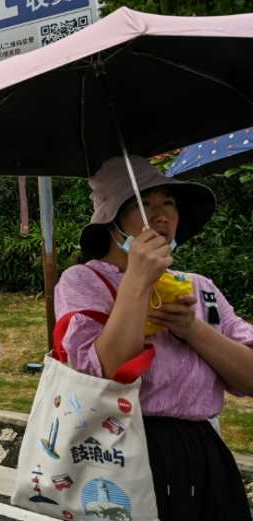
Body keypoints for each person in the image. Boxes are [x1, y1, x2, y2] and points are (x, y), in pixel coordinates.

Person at [54, 156, 253, 519]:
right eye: (142, 204)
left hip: (202, 454)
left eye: (169, 203)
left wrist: (192, 329)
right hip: (121, 451)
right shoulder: (84, 282)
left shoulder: (200, 289)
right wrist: (137, 281)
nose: (160, 215)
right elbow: (104, 372)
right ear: (112, 220)